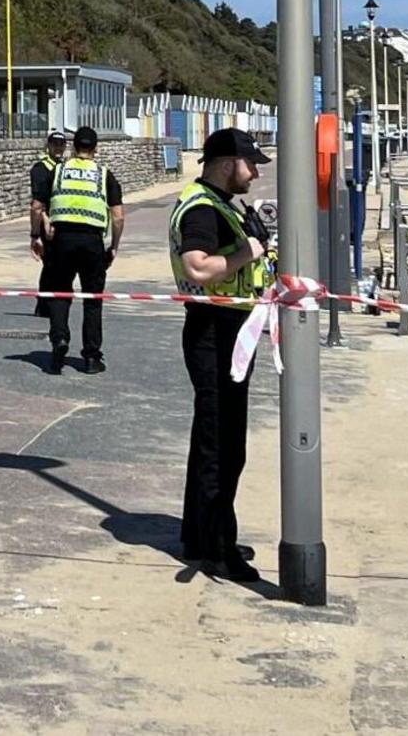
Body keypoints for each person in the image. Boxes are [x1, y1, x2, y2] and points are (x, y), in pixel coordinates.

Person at [170, 127, 271, 582]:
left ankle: (202, 534)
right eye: (251, 164)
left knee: (214, 439)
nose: (254, 174)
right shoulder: (203, 209)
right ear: (228, 162)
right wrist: (246, 251)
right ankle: (217, 549)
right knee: (222, 444)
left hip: (227, 330)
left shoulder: (219, 205)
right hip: (216, 333)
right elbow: (198, 265)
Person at [31, 126, 124, 375]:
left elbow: (38, 206)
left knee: (60, 293)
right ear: (95, 148)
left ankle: (59, 340)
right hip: (92, 242)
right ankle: (92, 357)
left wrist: (35, 236)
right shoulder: (104, 174)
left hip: (61, 240)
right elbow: (117, 217)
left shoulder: (58, 171)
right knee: (93, 299)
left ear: (73, 147)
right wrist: (114, 247)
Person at [28, 131, 69, 317]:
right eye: (55, 144)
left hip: (61, 221)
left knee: (58, 264)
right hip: (48, 222)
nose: (59, 148)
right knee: (50, 263)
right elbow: (38, 200)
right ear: (49, 146)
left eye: (62, 144)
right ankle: (44, 304)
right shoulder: (40, 168)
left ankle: (52, 302)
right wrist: (44, 220)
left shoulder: (64, 167)